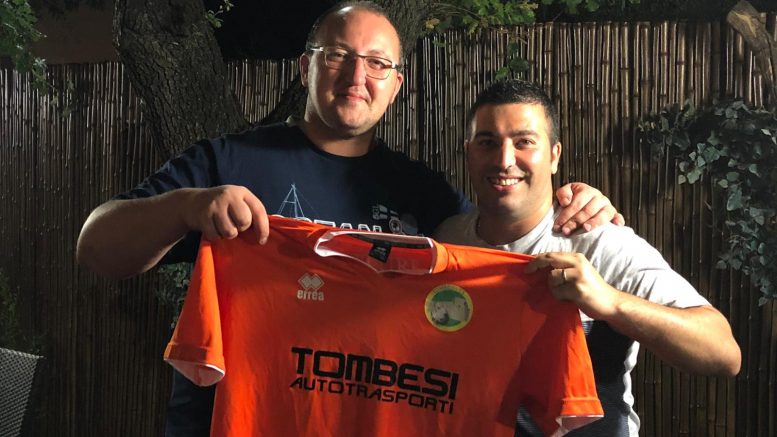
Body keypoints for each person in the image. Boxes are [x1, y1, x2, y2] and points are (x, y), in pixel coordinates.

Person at [76, 3, 620, 436]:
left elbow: (498, 248)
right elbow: (96, 247)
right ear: (305, 67)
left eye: (378, 63)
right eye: (338, 55)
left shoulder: (425, 195)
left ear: (396, 84)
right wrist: (185, 206)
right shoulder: (228, 164)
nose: (358, 75)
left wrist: (573, 204)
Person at [434, 79, 742, 436]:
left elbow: (723, 352)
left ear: (554, 156)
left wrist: (610, 302)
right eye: (488, 142)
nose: (504, 160)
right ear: (469, 152)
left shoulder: (600, 243)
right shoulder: (447, 240)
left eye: (524, 142)